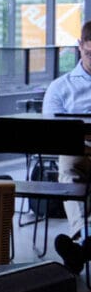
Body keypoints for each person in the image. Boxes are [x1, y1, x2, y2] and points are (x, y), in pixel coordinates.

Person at [45, 22, 91, 273]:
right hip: (78, 149)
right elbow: (52, 133)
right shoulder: (61, 87)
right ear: (80, 46)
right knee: (70, 164)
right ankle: (86, 236)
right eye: (90, 53)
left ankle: (81, 247)